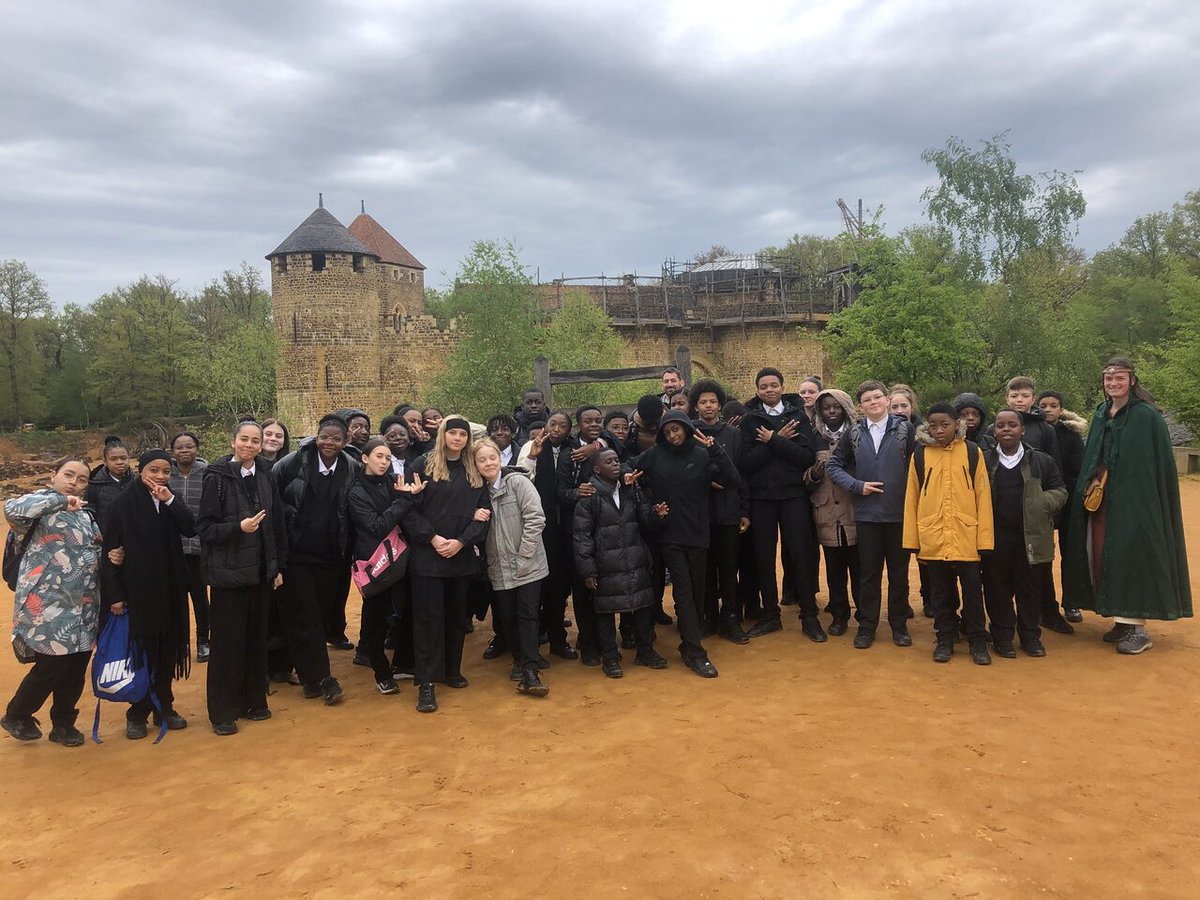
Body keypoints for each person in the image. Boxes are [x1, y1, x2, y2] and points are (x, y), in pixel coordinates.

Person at [1062, 358, 1192, 654]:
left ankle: (1137, 628)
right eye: (1108, 379)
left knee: (1132, 555)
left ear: (1132, 381)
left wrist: (1139, 497)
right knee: (1102, 553)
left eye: (1119, 378)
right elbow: (1094, 454)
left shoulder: (1146, 416)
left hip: (1136, 502)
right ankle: (1121, 618)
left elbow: (1154, 466)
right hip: (1104, 500)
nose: (1113, 383)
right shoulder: (1100, 413)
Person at [628, 410, 738, 677]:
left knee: (696, 591)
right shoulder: (655, 454)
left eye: (676, 430)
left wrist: (716, 452)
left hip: (698, 533)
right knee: (684, 590)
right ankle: (694, 651)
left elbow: (733, 480)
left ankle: (689, 641)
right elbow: (628, 463)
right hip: (669, 535)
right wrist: (626, 476)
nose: (672, 435)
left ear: (687, 429)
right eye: (667, 432)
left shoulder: (702, 455)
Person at [197, 420, 288, 736]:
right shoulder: (217, 477)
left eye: (255, 440)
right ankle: (222, 712)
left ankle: (253, 701)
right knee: (227, 645)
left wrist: (275, 567)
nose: (249, 445)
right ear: (233, 441)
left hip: (261, 573)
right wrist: (239, 528)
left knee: (254, 640)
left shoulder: (265, 473)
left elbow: (274, 524)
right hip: (229, 576)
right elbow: (205, 528)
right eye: (244, 439)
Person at [2, 458, 100, 746]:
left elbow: (93, 547)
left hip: (84, 605)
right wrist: (58, 501)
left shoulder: (85, 515)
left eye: (81, 479)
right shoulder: (38, 508)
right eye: (68, 475)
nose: (74, 482)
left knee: (76, 667)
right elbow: (11, 509)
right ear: (53, 475)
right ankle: (17, 714)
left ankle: (63, 725)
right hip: (47, 605)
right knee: (51, 667)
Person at [102, 450, 196, 737]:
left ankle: (163, 706)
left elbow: (190, 527)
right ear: (140, 470)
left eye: (166, 471)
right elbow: (111, 553)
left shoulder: (169, 500)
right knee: (141, 651)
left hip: (170, 587)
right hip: (138, 590)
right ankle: (137, 712)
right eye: (154, 470)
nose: (160, 476)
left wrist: (170, 500)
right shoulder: (122, 505)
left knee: (167, 647)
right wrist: (115, 595)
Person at [401, 418, 492, 713]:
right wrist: (434, 538)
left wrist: (461, 542)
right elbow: (408, 512)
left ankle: (452, 670)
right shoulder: (421, 466)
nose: (457, 437)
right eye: (452, 432)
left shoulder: (472, 471)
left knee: (455, 617)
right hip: (427, 557)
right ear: (442, 434)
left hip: (461, 557)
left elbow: (483, 515)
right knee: (428, 621)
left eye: (462, 433)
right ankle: (426, 682)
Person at [271, 413, 355, 703]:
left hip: (332, 555)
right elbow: (271, 497)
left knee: (321, 615)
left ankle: (307, 677)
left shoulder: (351, 467)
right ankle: (322, 679)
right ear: (316, 437)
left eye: (336, 438)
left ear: (345, 442)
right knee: (307, 617)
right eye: (325, 437)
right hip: (296, 555)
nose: (329, 442)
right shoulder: (293, 463)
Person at [826, 381, 916, 648]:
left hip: (899, 514)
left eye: (878, 397)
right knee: (869, 575)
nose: (873, 402)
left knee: (899, 574)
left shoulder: (904, 428)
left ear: (887, 400)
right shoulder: (853, 433)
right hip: (866, 516)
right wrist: (857, 486)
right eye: (867, 400)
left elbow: (917, 464)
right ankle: (867, 626)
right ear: (860, 406)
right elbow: (833, 464)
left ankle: (899, 626)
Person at [903, 403, 994, 665]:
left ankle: (977, 640)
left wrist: (984, 540)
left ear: (957, 424)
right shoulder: (920, 455)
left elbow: (983, 496)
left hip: (967, 535)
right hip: (933, 535)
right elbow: (912, 497)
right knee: (941, 593)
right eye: (933, 425)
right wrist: (912, 539)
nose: (939, 430)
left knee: (973, 593)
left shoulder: (973, 452)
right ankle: (945, 638)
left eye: (945, 424)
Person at [738, 368, 822, 641]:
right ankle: (770, 615)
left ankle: (809, 616)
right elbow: (746, 463)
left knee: (800, 554)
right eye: (764, 386)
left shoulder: (797, 416)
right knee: (763, 556)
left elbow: (806, 458)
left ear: (782, 387)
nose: (769, 390)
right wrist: (776, 443)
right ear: (758, 390)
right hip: (762, 498)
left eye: (774, 385)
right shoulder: (749, 421)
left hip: (793, 496)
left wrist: (773, 440)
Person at [573, 448, 670, 677]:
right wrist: (588, 570)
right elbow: (581, 536)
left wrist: (656, 516)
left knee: (643, 608)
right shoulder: (589, 497)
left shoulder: (631, 490)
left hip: (635, 560)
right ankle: (610, 658)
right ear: (597, 469)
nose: (615, 464)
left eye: (616, 460)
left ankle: (645, 652)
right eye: (609, 462)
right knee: (605, 612)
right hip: (606, 565)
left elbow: (644, 519)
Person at [981, 409, 1067, 659]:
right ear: (994, 431)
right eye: (1000, 425)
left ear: (1022, 430)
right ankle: (1002, 637)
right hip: (996, 537)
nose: (1006, 429)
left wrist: (1041, 501)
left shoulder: (1041, 460)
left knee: (1029, 589)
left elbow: (1060, 490)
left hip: (1031, 537)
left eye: (1012, 425)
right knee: (997, 589)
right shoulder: (984, 460)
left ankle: (1030, 637)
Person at [347, 439, 425, 696]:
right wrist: (403, 500)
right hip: (375, 563)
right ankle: (381, 672)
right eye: (379, 456)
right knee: (375, 618)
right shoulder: (356, 491)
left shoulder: (394, 480)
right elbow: (378, 526)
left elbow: (411, 507)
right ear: (365, 458)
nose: (384, 461)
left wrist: (414, 494)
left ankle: (402, 663)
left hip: (401, 558)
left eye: (388, 457)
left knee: (408, 610)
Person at [474, 439, 550, 696]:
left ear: (500, 458)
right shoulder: (475, 493)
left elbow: (535, 518)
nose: (488, 463)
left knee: (527, 615)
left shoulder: (518, 483)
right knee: (507, 617)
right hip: (497, 567)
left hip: (528, 564)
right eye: (481, 459)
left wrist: (524, 555)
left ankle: (530, 670)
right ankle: (521, 658)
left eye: (492, 457)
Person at [557, 405, 620, 664]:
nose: (594, 425)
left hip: (607, 530)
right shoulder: (568, 453)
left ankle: (607, 641)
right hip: (578, 529)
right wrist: (577, 493)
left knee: (605, 587)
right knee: (583, 588)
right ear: (578, 424)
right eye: (588, 421)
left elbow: (622, 457)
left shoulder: (608, 444)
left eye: (598, 420)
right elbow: (560, 492)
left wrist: (596, 448)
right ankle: (588, 642)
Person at [691, 379, 750, 644]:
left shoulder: (733, 434)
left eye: (712, 401)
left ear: (720, 405)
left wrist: (744, 510)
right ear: (695, 406)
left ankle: (730, 619)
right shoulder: (689, 432)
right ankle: (709, 618)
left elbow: (740, 472)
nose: (708, 406)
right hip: (700, 512)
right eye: (703, 402)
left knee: (728, 568)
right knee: (705, 569)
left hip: (728, 510)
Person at [517, 411, 579, 661]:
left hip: (566, 526)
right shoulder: (532, 447)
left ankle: (557, 640)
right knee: (537, 587)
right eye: (552, 423)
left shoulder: (575, 449)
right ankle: (532, 644)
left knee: (559, 587)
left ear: (569, 430)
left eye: (563, 425)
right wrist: (533, 455)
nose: (557, 429)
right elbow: (522, 477)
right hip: (538, 527)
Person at [804, 389, 862, 638]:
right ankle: (839, 616)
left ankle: (865, 616)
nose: (831, 411)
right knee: (834, 570)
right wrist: (814, 474)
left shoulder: (859, 434)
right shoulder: (813, 437)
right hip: (826, 513)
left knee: (860, 569)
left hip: (854, 511)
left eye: (836, 407)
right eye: (826, 407)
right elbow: (804, 476)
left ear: (845, 408)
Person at [1037, 389, 1088, 623]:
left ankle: (1072, 603)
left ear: (1061, 408)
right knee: (1042, 555)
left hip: (1067, 502)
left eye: (1053, 405)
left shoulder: (1071, 435)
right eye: (1044, 405)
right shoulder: (1032, 430)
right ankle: (1044, 603)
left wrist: (1070, 494)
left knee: (1070, 554)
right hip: (1040, 502)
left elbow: (1080, 470)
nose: (1048, 409)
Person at [169, 431, 210, 662]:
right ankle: (180, 643)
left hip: (199, 547)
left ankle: (204, 640)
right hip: (172, 549)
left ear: (197, 448)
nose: (184, 451)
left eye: (189, 446)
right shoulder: (166, 475)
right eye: (179, 447)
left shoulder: (207, 474)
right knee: (177, 599)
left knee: (200, 597)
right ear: (172, 451)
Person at [87, 435, 134, 537]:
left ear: (129, 458)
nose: (119, 462)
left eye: (123, 458)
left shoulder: (137, 482)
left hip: (134, 538)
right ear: (105, 461)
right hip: (107, 539)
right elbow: (89, 514)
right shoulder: (95, 485)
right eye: (113, 459)